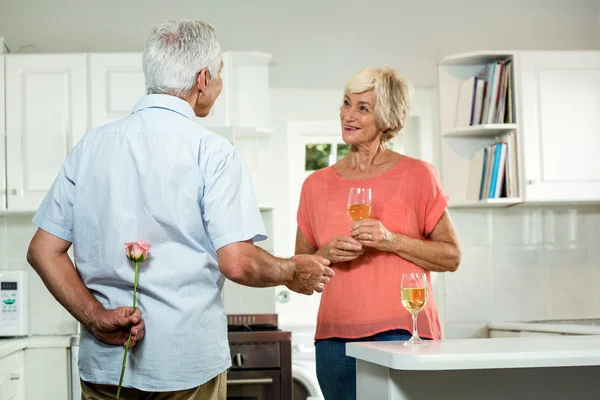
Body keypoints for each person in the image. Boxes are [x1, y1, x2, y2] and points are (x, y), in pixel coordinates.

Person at [26, 20, 333, 400]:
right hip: (187, 369)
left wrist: (94, 317)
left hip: (107, 366)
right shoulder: (213, 151)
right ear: (202, 79)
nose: (221, 84)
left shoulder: (91, 147)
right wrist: (292, 270)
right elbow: (238, 262)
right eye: (220, 73)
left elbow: (42, 250)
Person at [295, 67, 461, 400]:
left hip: (402, 334)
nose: (348, 115)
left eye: (363, 108)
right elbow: (297, 277)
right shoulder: (315, 185)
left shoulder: (418, 175)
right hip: (334, 342)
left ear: (385, 118)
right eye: (346, 103)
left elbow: (451, 256)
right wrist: (324, 254)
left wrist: (391, 240)